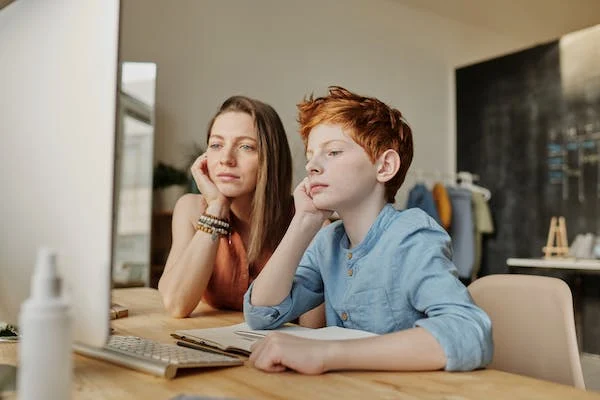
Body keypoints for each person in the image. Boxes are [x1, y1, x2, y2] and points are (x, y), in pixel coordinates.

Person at [243, 86, 493, 374]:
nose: (312, 166)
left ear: (385, 166)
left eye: (333, 152)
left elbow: (469, 332)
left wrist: (327, 354)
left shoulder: (411, 235)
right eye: (310, 155)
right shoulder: (327, 241)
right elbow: (261, 313)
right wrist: (303, 223)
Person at [158, 95, 324, 326]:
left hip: (276, 352)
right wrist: (216, 207)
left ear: (270, 157)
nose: (226, 159)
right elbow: (176, 304)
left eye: (246, 146)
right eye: (216, 145)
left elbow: (313, 329)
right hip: (207, 343)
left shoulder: (308, 220)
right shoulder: (191, 209)